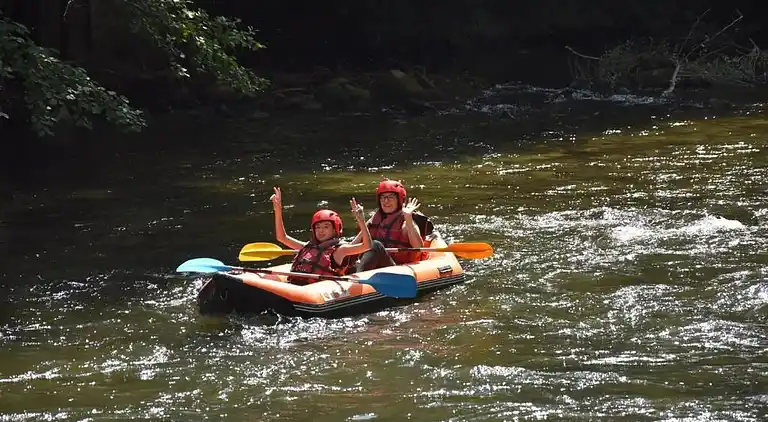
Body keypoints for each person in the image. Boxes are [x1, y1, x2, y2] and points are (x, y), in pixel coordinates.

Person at [270, 186, 373, 285]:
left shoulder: (340, 250)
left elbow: (367, 246)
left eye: (326, 227)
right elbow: (282, 237)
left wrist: (361, 221)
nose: (321, 231)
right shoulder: (307, 247)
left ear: (335, 229)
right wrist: (278, 210)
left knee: (375, 245)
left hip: (315, 291)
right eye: (318, 227)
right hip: (295, 286)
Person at [351, 179, 427, 271]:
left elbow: (418, 248)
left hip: (397, 268)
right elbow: (353, 244)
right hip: (374, 266)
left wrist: (408, 218)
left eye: (391, 197)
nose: (386, 201)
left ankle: (358, 277)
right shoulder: (374, 219)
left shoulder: (406, 223)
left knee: (375, 245)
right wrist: (361, 220)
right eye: (383, 197)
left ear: (399, 200)